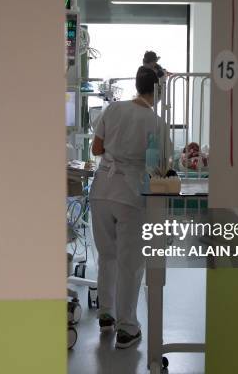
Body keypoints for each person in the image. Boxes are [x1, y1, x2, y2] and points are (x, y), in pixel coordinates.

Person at [89, 67, 169, 349]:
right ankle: (127, 328)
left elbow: (96, 149)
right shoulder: (157, 122)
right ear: (158, 91)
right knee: (131, 263)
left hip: (101, 192)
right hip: (131, 195)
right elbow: (162, 166)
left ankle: (106, 316)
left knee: (107, 256)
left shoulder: (112, 110)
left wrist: (115, 151)